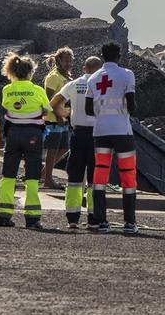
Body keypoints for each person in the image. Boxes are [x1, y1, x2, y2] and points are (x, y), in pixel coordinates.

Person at [84, 42, 139, 234]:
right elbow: (131, 105)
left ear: (102, 56)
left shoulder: (93, 78)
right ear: (119, 55)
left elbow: (88, 110)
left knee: (100, 176)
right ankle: (130, 223)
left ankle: (100, 221)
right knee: (128, 175)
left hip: (100, 131)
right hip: (122, 130)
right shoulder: (127, 74)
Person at [0, 52, 49, 228]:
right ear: (31, 72)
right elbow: (47, 110)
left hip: (13, 134)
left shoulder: (7, 89)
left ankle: (3, 215)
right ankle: (32, 218)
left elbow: (6, 106)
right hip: (32, 134)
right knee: (32, 177)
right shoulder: (38, 90)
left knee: (8, 175)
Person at [50, 55, 103, 229]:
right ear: (100, 69)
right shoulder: (102, 84)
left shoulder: (74, 84)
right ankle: (94, 218)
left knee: (74, 176)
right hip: (97, 135)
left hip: (78, 133)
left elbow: (54, 102)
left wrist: (65, 115)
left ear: (84, 69)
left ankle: (72, 217)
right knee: (95, 177)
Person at [41, 47, 73, 189]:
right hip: (54, 119)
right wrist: (59, 116)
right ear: (58, 60)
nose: (69, 63)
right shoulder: (53, 76)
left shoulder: (66, 76)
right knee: (52, 150)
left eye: (71, 61)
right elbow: (50, 99)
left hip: (64, 118)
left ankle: (44, 173)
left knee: (64, 147)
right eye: (66, 60)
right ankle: (48, 180)